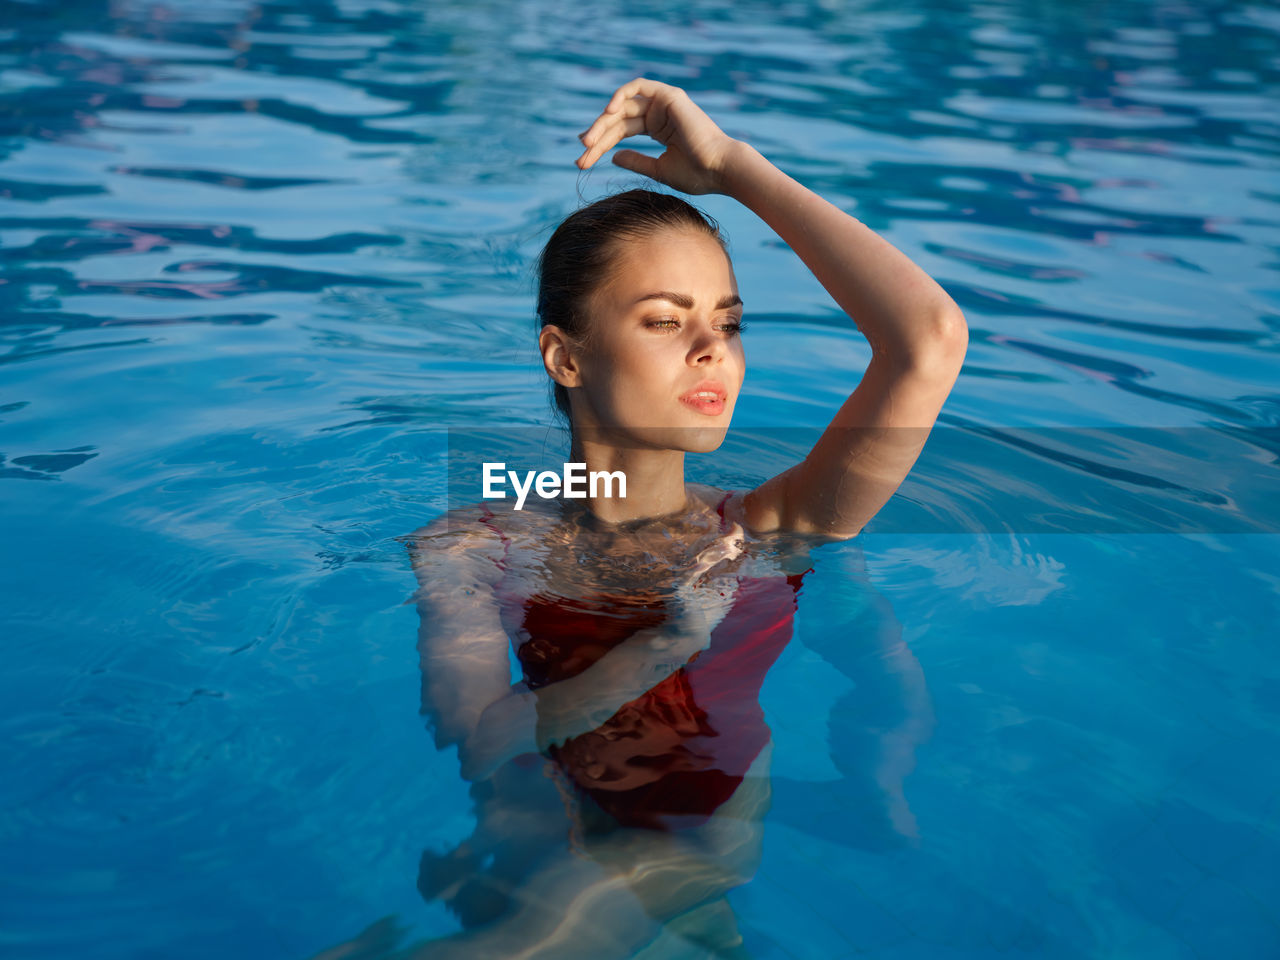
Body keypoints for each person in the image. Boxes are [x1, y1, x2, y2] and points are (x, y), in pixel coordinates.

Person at [318, 77, 964, 960]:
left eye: (728, 324)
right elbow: (482, 742)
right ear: (566, 356)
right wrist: (667, 640)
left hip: (679, 845)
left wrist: (735, 169)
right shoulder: (473, 544)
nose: (711, 349)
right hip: (527, 838)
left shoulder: (770, 527)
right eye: (666, 320)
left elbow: (928, 339)